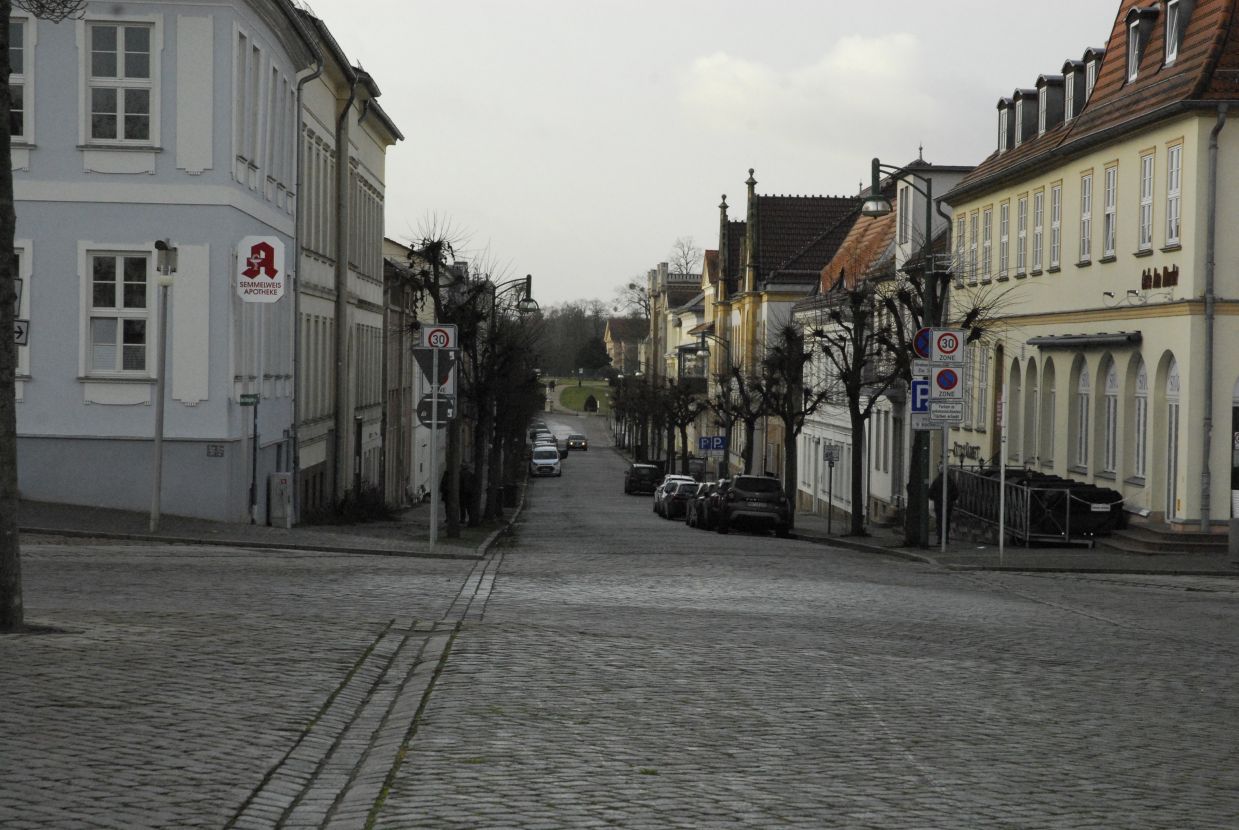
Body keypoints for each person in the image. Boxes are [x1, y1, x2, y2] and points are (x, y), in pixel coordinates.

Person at [928, 469, 960, 542]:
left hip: (938, 504)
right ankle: (945, 537)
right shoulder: (950, 481)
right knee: (946, 520)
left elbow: (930, 493)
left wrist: (935, 498)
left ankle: (940, 537)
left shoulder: (936, 481)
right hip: (948, 504)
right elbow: (956, 493)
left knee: (939, 521)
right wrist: (951, 499)